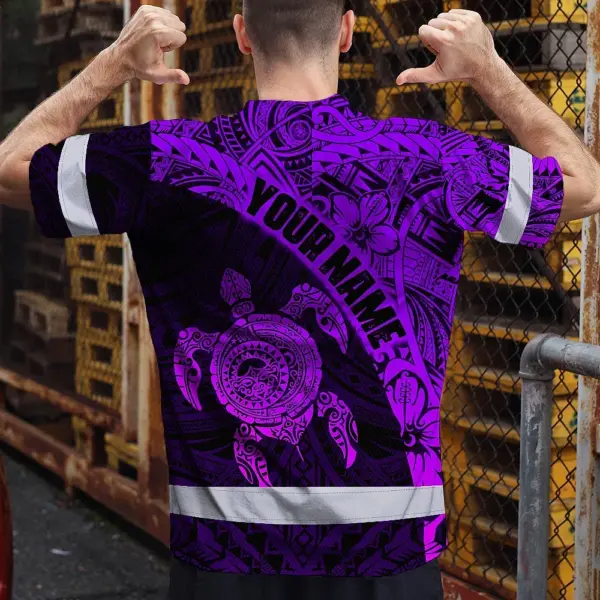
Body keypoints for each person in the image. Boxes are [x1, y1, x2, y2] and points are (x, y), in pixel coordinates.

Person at [0, 2, 597, 599]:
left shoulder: (170, 160)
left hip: (225, 548)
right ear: (346, 32)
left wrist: (113, 62)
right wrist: (487, 68)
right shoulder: (426, 158)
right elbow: (584, 185)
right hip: (386, 548)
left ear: (241, 35)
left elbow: (11, 168)